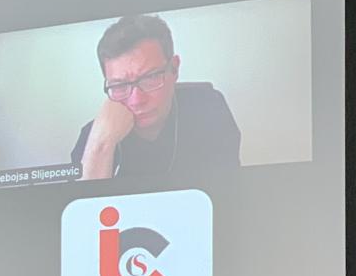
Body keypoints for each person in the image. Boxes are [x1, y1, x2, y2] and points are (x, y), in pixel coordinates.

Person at [72, 14, 241, 180]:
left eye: (150, 77)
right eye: (120, 85)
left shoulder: (208, 107)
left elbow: (228, 189)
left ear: (174, 68)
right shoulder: (93, 138)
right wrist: (101, 147)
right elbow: (84, 198)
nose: (137, 100)